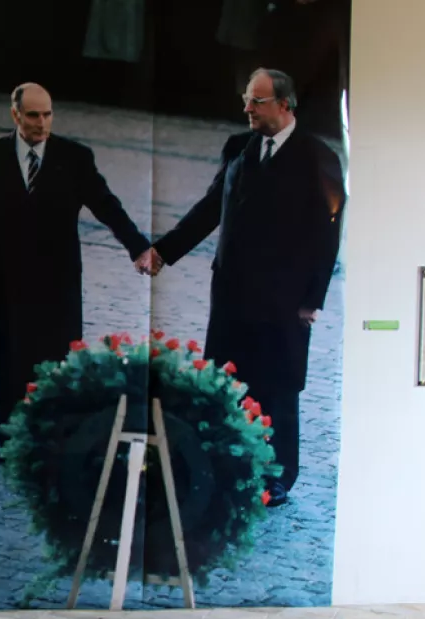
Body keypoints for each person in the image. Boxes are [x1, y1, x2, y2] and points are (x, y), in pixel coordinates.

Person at [138, 68, 345, 506]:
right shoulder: (238, 148)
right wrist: (162, 252)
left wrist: (312, 299)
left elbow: (328, 234)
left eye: (257, 102)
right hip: (232, 294)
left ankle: (277, 477)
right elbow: (211, 208)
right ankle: (227, 467)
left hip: (285, 301)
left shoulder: (317, 156)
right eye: (247, 100)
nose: (246, 109)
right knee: (227, 382)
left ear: (285, 105)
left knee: (279, 388)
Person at [0, 82, 152, 464]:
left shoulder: (74, 158)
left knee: (53, 361)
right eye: (33, 115)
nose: (41, 123)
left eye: (47, 114)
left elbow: (107, 206)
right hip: (8, 278)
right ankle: (10, 442)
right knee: (9, 361)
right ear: (15, 114)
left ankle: (49, 441)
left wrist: (138, 247)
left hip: (57, 280)